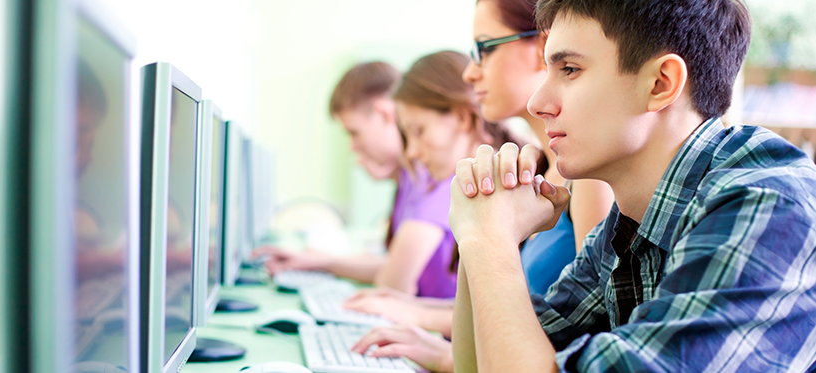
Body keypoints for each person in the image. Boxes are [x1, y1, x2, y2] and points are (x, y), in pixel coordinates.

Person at [449, 0, 816, 371]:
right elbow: (481, 364)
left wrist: (490, 240)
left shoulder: (765, 205)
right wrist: (481, 222)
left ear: (661, 83)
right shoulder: (627, 224)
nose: (537, 103)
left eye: (570, 69)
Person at [348, 1, 614, 370]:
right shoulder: (544, 170)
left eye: (484, 49)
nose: (471, 74)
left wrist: (432, 336)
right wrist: (416, 315)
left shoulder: (588, 180)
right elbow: (518, 309)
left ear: (543, 46)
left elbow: (581, 332)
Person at [259, 62, 456, 298]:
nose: (352, 146)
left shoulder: (433, 177)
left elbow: (392, 281)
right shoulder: (408, 180)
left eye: (354, 132)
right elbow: (390, 266)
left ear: (385, 114)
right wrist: (319, 261)